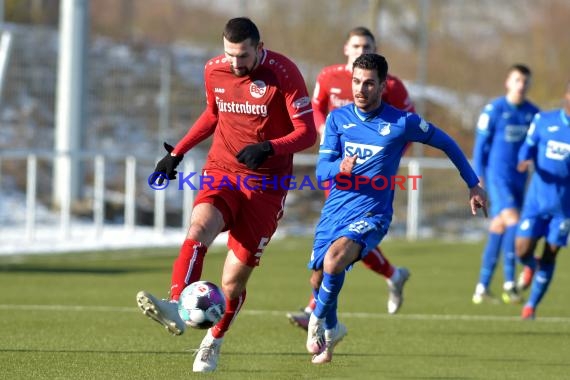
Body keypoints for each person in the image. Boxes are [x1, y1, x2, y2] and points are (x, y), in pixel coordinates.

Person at [136, 17, 317, 373]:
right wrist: (178, 153)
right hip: (223, 171)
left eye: (243, 56)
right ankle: (175, 303)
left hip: (266, 187)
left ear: (259, 48)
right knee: (199, 226)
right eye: (230, 54)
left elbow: (307, 132)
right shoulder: (215, 71)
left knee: (232, 283)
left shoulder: (285, 73)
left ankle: (212, 341)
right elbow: (212, 114)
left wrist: (268, 147)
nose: (236, 63)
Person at [305, 53, 488, 364]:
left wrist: (473, 183)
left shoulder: (402, 122)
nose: (360, 89)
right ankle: (334, 329)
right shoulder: (338, 119)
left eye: (368, 83)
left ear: (382, 86)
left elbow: (447, 143)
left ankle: (315, 320)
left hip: (372, 214)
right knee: (318, 278)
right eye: (356, 82)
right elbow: (322, 171)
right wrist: (340, 167)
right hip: (334, 211)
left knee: (335, 262)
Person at [287, 26, 415, 331]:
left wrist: (389, 159)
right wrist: (322, 132)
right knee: (344, 239)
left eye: (367, 46)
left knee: (344, 240)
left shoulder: (392, 86)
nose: (361, 51)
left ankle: (316, 311)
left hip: (369, 174)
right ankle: (392, 275)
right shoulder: (328, 77)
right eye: (357, 45)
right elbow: (316, 108)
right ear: (347, 48)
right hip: (338, 167)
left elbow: (408, 128)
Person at [471, 64, 540, 305]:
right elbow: (480, 147)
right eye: (518, 80)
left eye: (526, 81)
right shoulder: (494, 110)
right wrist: (477, 177)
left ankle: (481, 287)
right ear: (508, 82)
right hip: (497, 177)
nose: (522, 85)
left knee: (499, 227)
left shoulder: (533, 113)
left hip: (520, 181)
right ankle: (511, 282)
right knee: (514, 220)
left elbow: (537, 148)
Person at [515, 81, 570, 320]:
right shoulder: (544, 120)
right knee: (522, 249)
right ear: (566, 94)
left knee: (551, 254)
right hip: (536, 201)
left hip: (564, 208)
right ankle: (529, 264)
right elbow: (526, 148)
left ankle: (531, 307)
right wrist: (525, 160)